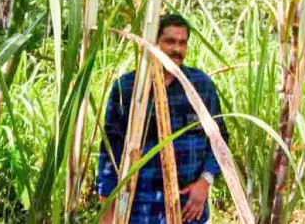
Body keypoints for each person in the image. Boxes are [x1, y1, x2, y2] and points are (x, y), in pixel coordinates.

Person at [97, 14, 228, 223]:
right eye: (169, 41)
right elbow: (110, 148)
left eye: (182, 43)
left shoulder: (201, 86)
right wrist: (107, 204)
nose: (177, 49)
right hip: (139, 209)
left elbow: (220, 140)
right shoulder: (127, 88)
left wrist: (206, 181)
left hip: (187, 210)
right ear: (153, 42)